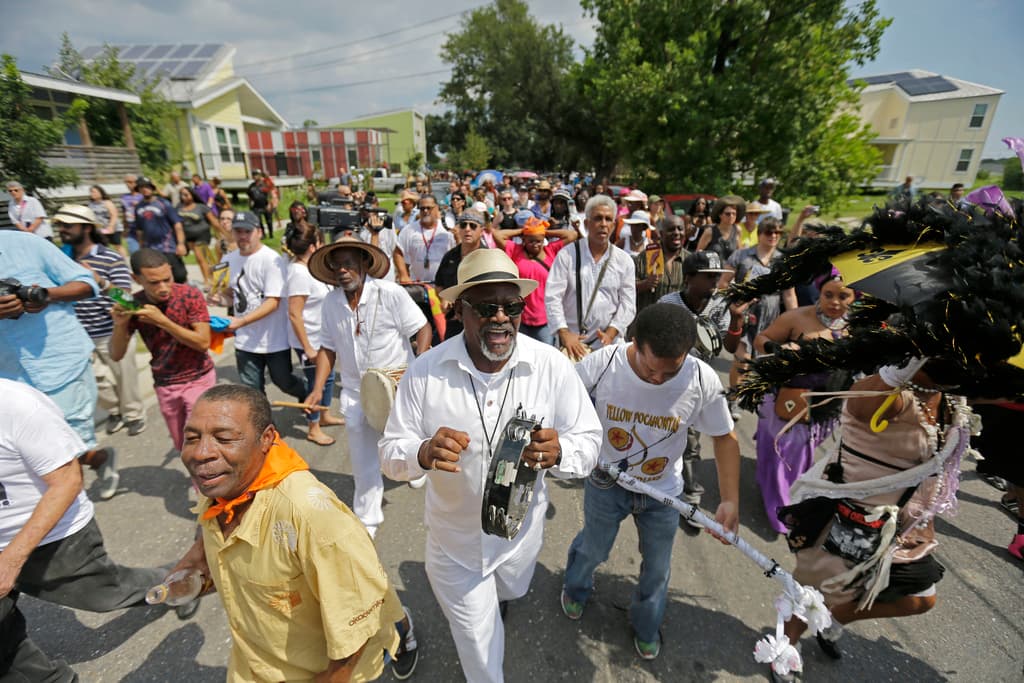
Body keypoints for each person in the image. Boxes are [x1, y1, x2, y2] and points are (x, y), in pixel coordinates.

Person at [379, 248, 603, 683]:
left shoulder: (551, 366)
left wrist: (560, 453)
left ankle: (498, 601)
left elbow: (590, 441)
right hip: (455, 549)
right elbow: (390, 454)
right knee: (482, 657)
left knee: (510, 593)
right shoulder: (424, 373)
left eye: (512, 306)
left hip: (520, 540)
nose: (501, 318)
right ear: (459, 310)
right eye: (486, 307)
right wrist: (422, 452)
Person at [169, 384, 420, 681]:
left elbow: (353, 638)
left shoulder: (313, 520)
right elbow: (210, 521)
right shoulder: (222, 484)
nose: (201, 453)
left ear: (267, 439)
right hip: (251, 666)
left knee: (372, 602)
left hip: (319, 672)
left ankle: (401, 627)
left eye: (224, 438)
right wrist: (196, 559)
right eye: (192, 438)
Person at [560, 304, 741, 659]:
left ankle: (646, 624)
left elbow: (725, 438)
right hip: (605, 481)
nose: (657, 379)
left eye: (669, 372)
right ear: (634, 342)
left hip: (663, 493)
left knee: (657, 568)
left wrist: (731, 499)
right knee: (594, 548)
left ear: (687, 353)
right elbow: (562, 404)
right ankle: (575, 587)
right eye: (648, 368)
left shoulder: (702, 380)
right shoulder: (603, 364)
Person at [0, 380, 197, 682]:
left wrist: (11, 560)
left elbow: (67, 481)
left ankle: (182, 578)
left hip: (53, 537)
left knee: (108, 594)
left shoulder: (16, 405)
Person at [772, 360, 951, 681]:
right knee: (815, 590)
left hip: (902, 525)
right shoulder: (891, 392)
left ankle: (830, 620)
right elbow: (859, 401)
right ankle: (787, 644)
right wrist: (900, 370)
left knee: (920, 597)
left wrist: (925, 520)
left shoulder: (952, 398)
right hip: (850, 518)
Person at [305, 238, 431, 536]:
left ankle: (414, 468)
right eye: (337, 266)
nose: (343, 270)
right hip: (354, 391)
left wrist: (421, 364)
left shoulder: (390, 293)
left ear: (364, 264)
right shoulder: (331, 303)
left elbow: (422, 327)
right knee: (363, 459)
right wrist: (316, 389)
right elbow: (326, 348)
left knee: (403, 441)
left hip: (396, 385)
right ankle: (368, 518)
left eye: (349, 263)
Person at [0, 229, 118, 499]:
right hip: (7, 379)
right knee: (32, 453)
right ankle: (98, 459)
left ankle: (72, 526)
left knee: (62, 455)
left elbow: (88, 284)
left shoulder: (27, 244)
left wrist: (45, 295)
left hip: (60, 364)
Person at [752, 275, 853, 534]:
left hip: (827, 406)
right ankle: (783, 509)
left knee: (797, 459)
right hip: (789, 399)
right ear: (819, 291)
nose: (834, 302)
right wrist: (780, 349)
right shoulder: (796, 317)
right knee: (784, 454)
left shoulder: (858, 327)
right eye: (828, 294)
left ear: (854, 298)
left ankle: (783, 489)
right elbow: (760, 339)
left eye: (843, 296)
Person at [658, 251, 746, 515]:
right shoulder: (668, 303)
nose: (714, 282)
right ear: (689, 278)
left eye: (717, 277)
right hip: (666, 383)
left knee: (691, 442)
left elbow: (727, 347)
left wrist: (737, 320)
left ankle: (691, 492)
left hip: (697, 387)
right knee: (661, 432)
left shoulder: (720, 305)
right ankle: (654, 477)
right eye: (708, 277)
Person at [111, 248, 216, 452]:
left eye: (167, 279)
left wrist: (162, 321)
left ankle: (213, 482)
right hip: (165, 384)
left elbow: (203, 342)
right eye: (154, 282)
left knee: (203, 443)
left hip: (199, 377)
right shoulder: (135, 304)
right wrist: (120, 324)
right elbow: (116, 354)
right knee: (183, 446)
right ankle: (200, 481)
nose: (163, 287)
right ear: (136, 278)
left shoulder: (189, 295)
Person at [55, 204, 146, 438]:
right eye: (60, 225)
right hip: (79, 334)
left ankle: (134, 414)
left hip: (111, 330)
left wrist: (99, 281)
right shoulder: (60, 259)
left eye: (67, 225)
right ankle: (114, 410)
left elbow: (127, 299)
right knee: (96, 381)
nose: (62, 230)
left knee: (125, 378)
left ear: (85, 228)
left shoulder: (109, 258)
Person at [219, 211, 306, 402]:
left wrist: (240, 321)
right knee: (252, 394)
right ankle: (263, 429)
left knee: (284, 382)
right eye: (238, 231)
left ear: (258, 232)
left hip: (273, 339)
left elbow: (273, 302)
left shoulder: (271, 260)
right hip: (245, 341)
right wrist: (219, 300)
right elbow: (232, 295)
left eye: (247, 231)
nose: (242, 236)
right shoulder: (228, 260)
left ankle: (308, 394)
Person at [720, 217, 797, 419]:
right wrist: (737, 295)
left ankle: (766, 402)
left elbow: (789, 294)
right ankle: (733, 399)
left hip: (772, 316)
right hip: (745, 314)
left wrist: (794, 321)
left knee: (769, 361)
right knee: (742, 359)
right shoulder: (741, 255)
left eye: (777, 233)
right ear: (760, 233)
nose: (773, 236)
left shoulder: (783, 261)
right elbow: (723, 282)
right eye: (768, 232)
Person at [546, 194, 637, 361]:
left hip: (610, 345)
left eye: (608, 219)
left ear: (614, 225)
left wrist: (611, 333)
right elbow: (552, 297)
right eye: (598, 218)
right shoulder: (567, 255)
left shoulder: (624, 261)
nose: (603, 224)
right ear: (587, 224)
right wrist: (564, 332)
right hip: (573, 345)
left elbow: (628, 304)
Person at [285, 222, 345, 446]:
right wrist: (308, 347)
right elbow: (294, 314)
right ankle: (313, 426)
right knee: (315, 383)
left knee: (327, 378)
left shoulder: (310, 268)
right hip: (309, 340)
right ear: (313, 245)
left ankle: (324, 415)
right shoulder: (299, 273)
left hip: (321, 338)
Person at [492, 215, 578, 346]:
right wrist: (522, 231)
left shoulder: (551, 251)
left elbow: (572, 235)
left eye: (539, 241)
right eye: (531, 241)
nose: (535, 245)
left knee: (545, 357)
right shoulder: (516, 250)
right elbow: (497, 235)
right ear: (524, 240)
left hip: (545, 320)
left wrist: (544, 231)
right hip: (520, 317)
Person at [434, 208, 489, 338]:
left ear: (481, 231)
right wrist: (444, 298)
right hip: (454, 322)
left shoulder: (488, 258)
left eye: (473, 225)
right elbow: (439, 284)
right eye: (463, 225)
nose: (467, 229)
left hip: (480, 322)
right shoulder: (450, 256)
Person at [133, 176, 188, 283]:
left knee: (179, 276)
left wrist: (181, 244)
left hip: (167, 246)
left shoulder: (164, 203)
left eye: (147, 187)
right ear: (138, 190)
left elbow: (177, 224)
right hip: (150, 248)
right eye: (142, 187)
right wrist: (141, 248)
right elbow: (139, 230)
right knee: (157, 278)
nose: (145, 189)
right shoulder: (138, 207)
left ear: (152, 188)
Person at [633, 213, 688, 311]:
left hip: (678, 320)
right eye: (671, 229)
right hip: (650, 320)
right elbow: (628, 288)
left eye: (680, 229)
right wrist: (645, 284)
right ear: (661, 234)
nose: (676, 233)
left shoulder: (689, 259)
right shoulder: (646, 256)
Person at [395, 195, 455, 283]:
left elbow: (456, 254)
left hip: (442, 284)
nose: (425, 211)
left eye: (429, 208)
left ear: (436, 208)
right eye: (422, 208)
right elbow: (398, 252)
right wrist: (403, 275)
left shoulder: (446, 229)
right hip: (417, 284)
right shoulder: (409, 230)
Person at [177, 186, 218, 288]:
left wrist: (222, 233)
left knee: (201, 258)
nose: (184, 197)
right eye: (182, 195)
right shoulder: (178, 208)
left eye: (186, 194)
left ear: (192, 195)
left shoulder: (200, 207)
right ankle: (211, 276)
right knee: (203, 258)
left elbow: (213, 221)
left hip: (202, 235)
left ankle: (207, 281)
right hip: (188, 237)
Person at [696, 195, 744, 261]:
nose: (731, 216)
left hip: (730, 270)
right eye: (728, 214)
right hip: (712, 270)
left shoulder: (738, 230)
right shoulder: (710, 231)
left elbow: (740, 253)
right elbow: (698, 252)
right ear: (720, 215)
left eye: (734, 214)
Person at [87, 184, 125, 256]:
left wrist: (110, 227)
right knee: (102, 246)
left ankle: (124, 262)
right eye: (91, 192)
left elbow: (114, 215)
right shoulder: (91, 204)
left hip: (113, 228)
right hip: (100, 230)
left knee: (117, 245)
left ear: (100, 192)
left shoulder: (107, 202)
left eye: (94, 192)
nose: (92, 194)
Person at [247, 170, 274, 237]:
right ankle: (263, 234)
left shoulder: (265, 184)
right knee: (258, 221)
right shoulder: (251, 186)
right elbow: (250, 197)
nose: (254, 176)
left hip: (265, 204)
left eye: (256, 175)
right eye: (253, 175)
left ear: (260, 175)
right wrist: (250, 205)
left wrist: (270, 204)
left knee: (269, 220)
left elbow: (271, 195)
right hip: (256, 206)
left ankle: (271, 234)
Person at [120, 174, 143, 253]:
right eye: (126, 182)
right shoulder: (124, 197)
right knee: (134, 253)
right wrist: (124, 228)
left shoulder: (143, 196)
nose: (128, 184)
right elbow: (124, 213)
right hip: (131, 229)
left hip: (143, 229)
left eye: (131, 182)